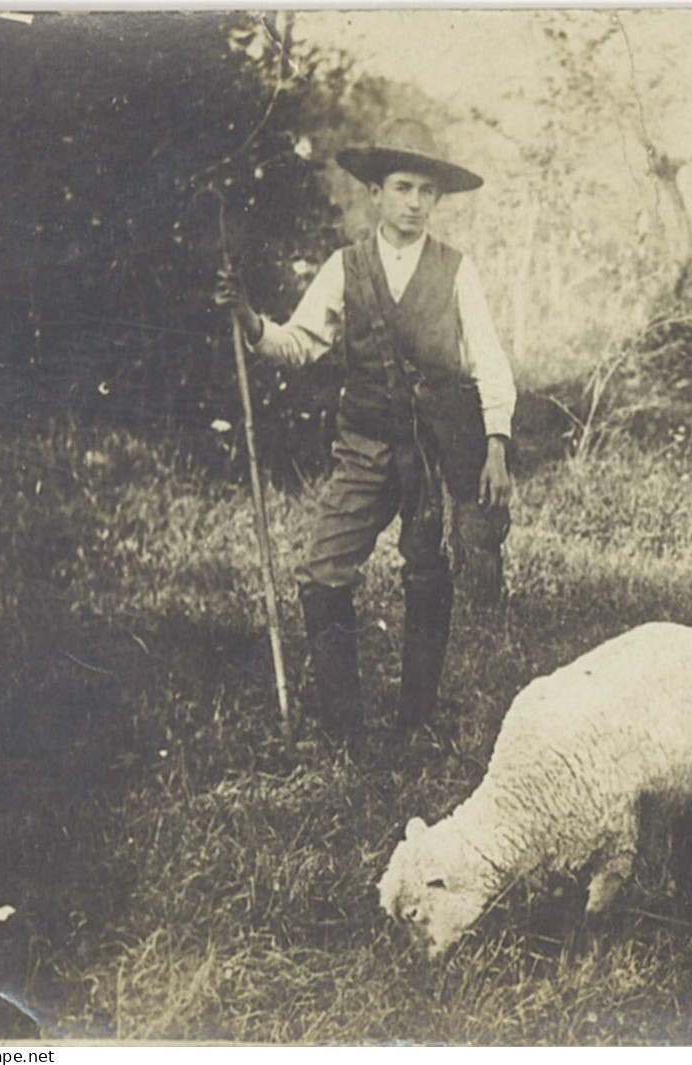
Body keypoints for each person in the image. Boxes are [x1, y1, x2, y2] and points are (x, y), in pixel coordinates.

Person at [213, 117, 515, 744]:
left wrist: (496, 446)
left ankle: (416, 720)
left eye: (426, 191)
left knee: (427, 575)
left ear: (437, 199)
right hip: (363, 446)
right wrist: (248, 319)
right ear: (375, 193)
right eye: (402, 187)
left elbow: (487, 358)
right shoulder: (344, 267)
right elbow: (298, 343)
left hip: (432, 451)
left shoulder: (457, 271)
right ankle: (347, 727)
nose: (414, 203)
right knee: (322, 573)